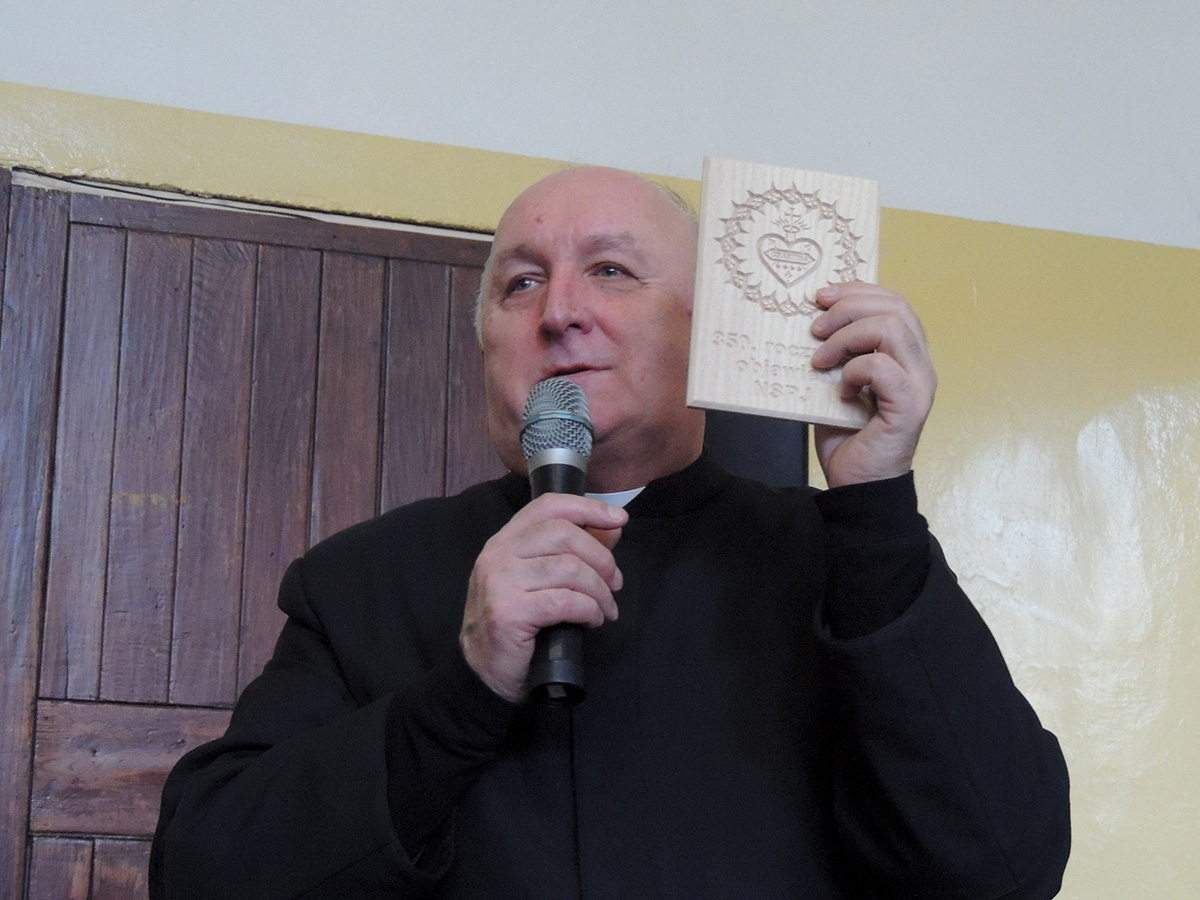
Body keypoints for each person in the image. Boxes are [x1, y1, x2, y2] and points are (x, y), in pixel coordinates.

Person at [150, 167, 1070, 899]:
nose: (559, 312)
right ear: (487, 350)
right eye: (521, 284)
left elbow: (1000, 868)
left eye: (612, 271)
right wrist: (462, 695)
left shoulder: (842, 559)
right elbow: (204, 873)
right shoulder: (359, 581)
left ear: (708, 330)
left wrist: (875, 505)